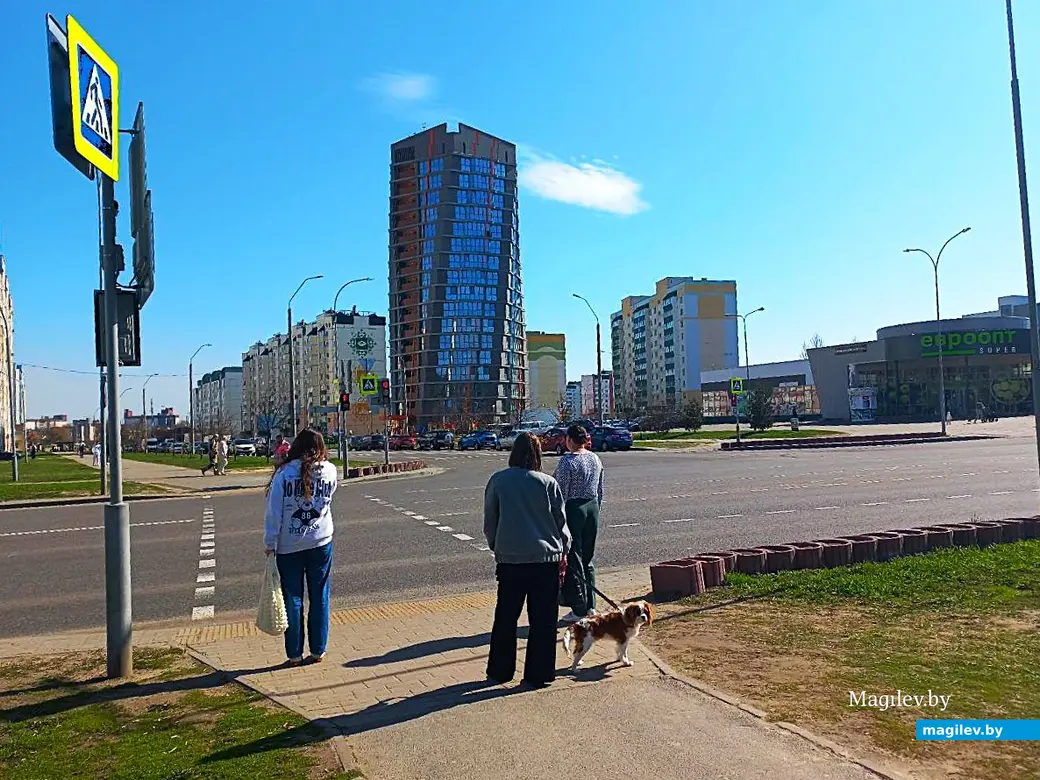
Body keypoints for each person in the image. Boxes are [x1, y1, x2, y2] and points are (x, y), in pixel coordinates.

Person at [483, 432, 570, 687]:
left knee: (506, 617)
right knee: (543, 620)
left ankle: (500, 670)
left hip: (510, 561)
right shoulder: (547, 483)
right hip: (546, 560)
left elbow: (491, 521)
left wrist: (497, 546)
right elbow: (560, 523)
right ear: (537, 454)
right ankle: (539, 673)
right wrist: (564, 550)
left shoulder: (498, 481)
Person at [264, 428, 338, 666]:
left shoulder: (284, 474)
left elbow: (274, 511)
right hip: (320, 540)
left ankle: (294, 654)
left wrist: (270, 542)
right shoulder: (330, 470)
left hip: (289, 545)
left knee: (292, 599)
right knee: (320, 596)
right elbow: (328, 499)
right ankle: (318, 649)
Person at [554, 424, 604, 623]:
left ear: (570, 440)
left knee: (574, 557)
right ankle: (591, 604)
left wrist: (559, 518)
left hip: (574, 509)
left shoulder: (568, 462)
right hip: (592, 508)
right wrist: (597, 509)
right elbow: (600, 489)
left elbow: (560, 492)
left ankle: (579, 607)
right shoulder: (595, 458)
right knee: (588, 558)